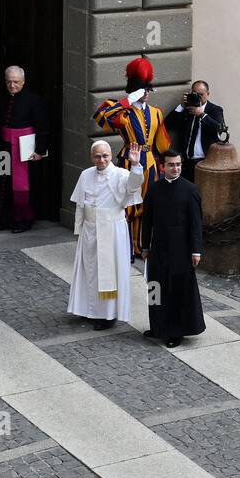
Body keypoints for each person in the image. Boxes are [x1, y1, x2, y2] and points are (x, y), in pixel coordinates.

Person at [94, 55, 170, 260]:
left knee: (149, 206)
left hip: (151, 164)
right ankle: (126, 247)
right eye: (142, 89)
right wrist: (128, 100)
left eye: (147, 89)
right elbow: (103, 117)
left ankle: (144, 246)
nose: (145, 93)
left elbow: (162, 144)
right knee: (128, 206)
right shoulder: (122, 110)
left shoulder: (156, 113)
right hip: (129, 160)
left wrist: (165, 163)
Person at [68, 141, 145, 330]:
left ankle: (107, 314)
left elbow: (134, 186)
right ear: (91, 157)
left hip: (111, 230)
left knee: (108, 273)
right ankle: (88, 309)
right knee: (89, 270)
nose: (101, 160)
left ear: (111, 156)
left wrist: (135, 165)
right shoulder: (85, 174)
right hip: (90, 230)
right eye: (97, 156)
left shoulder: (120, 174)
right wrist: (78, 229)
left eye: (105, 156)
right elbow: (80, 205)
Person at [140, 149, 205, 348]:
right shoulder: (154, 189)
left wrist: (196, 250)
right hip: (159, 248)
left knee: (177, 290)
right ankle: (157, 325)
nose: (175, 168)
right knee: (155, 288)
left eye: (178, 164)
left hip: (181, 250)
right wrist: (144, 246)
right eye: (171, 165)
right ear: (162, 166)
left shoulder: (190, 190)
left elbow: (196, 223)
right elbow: (147, 220)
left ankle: (176, 331)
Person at [0, 65, 49, 234]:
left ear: (23, 81)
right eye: (9, 82)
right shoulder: (3, 98)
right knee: (3, 183)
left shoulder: (33, 99)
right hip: (4, 147)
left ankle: (23, 220)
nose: (12, 85)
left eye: (16, 82)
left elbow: (43, 127)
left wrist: (40, 150)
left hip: (24, 149)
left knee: (22, 186)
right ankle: (2, 219)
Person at [164, 79, 225, 181]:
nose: (198, 97)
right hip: (186, 162)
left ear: (208, 94)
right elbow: (168, 125)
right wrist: (181, 106)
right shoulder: (187, 109)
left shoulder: (214, 110)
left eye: (201, 94)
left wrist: (202, 115)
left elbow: (219, 129)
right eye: (195, 94)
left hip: (206, 162)